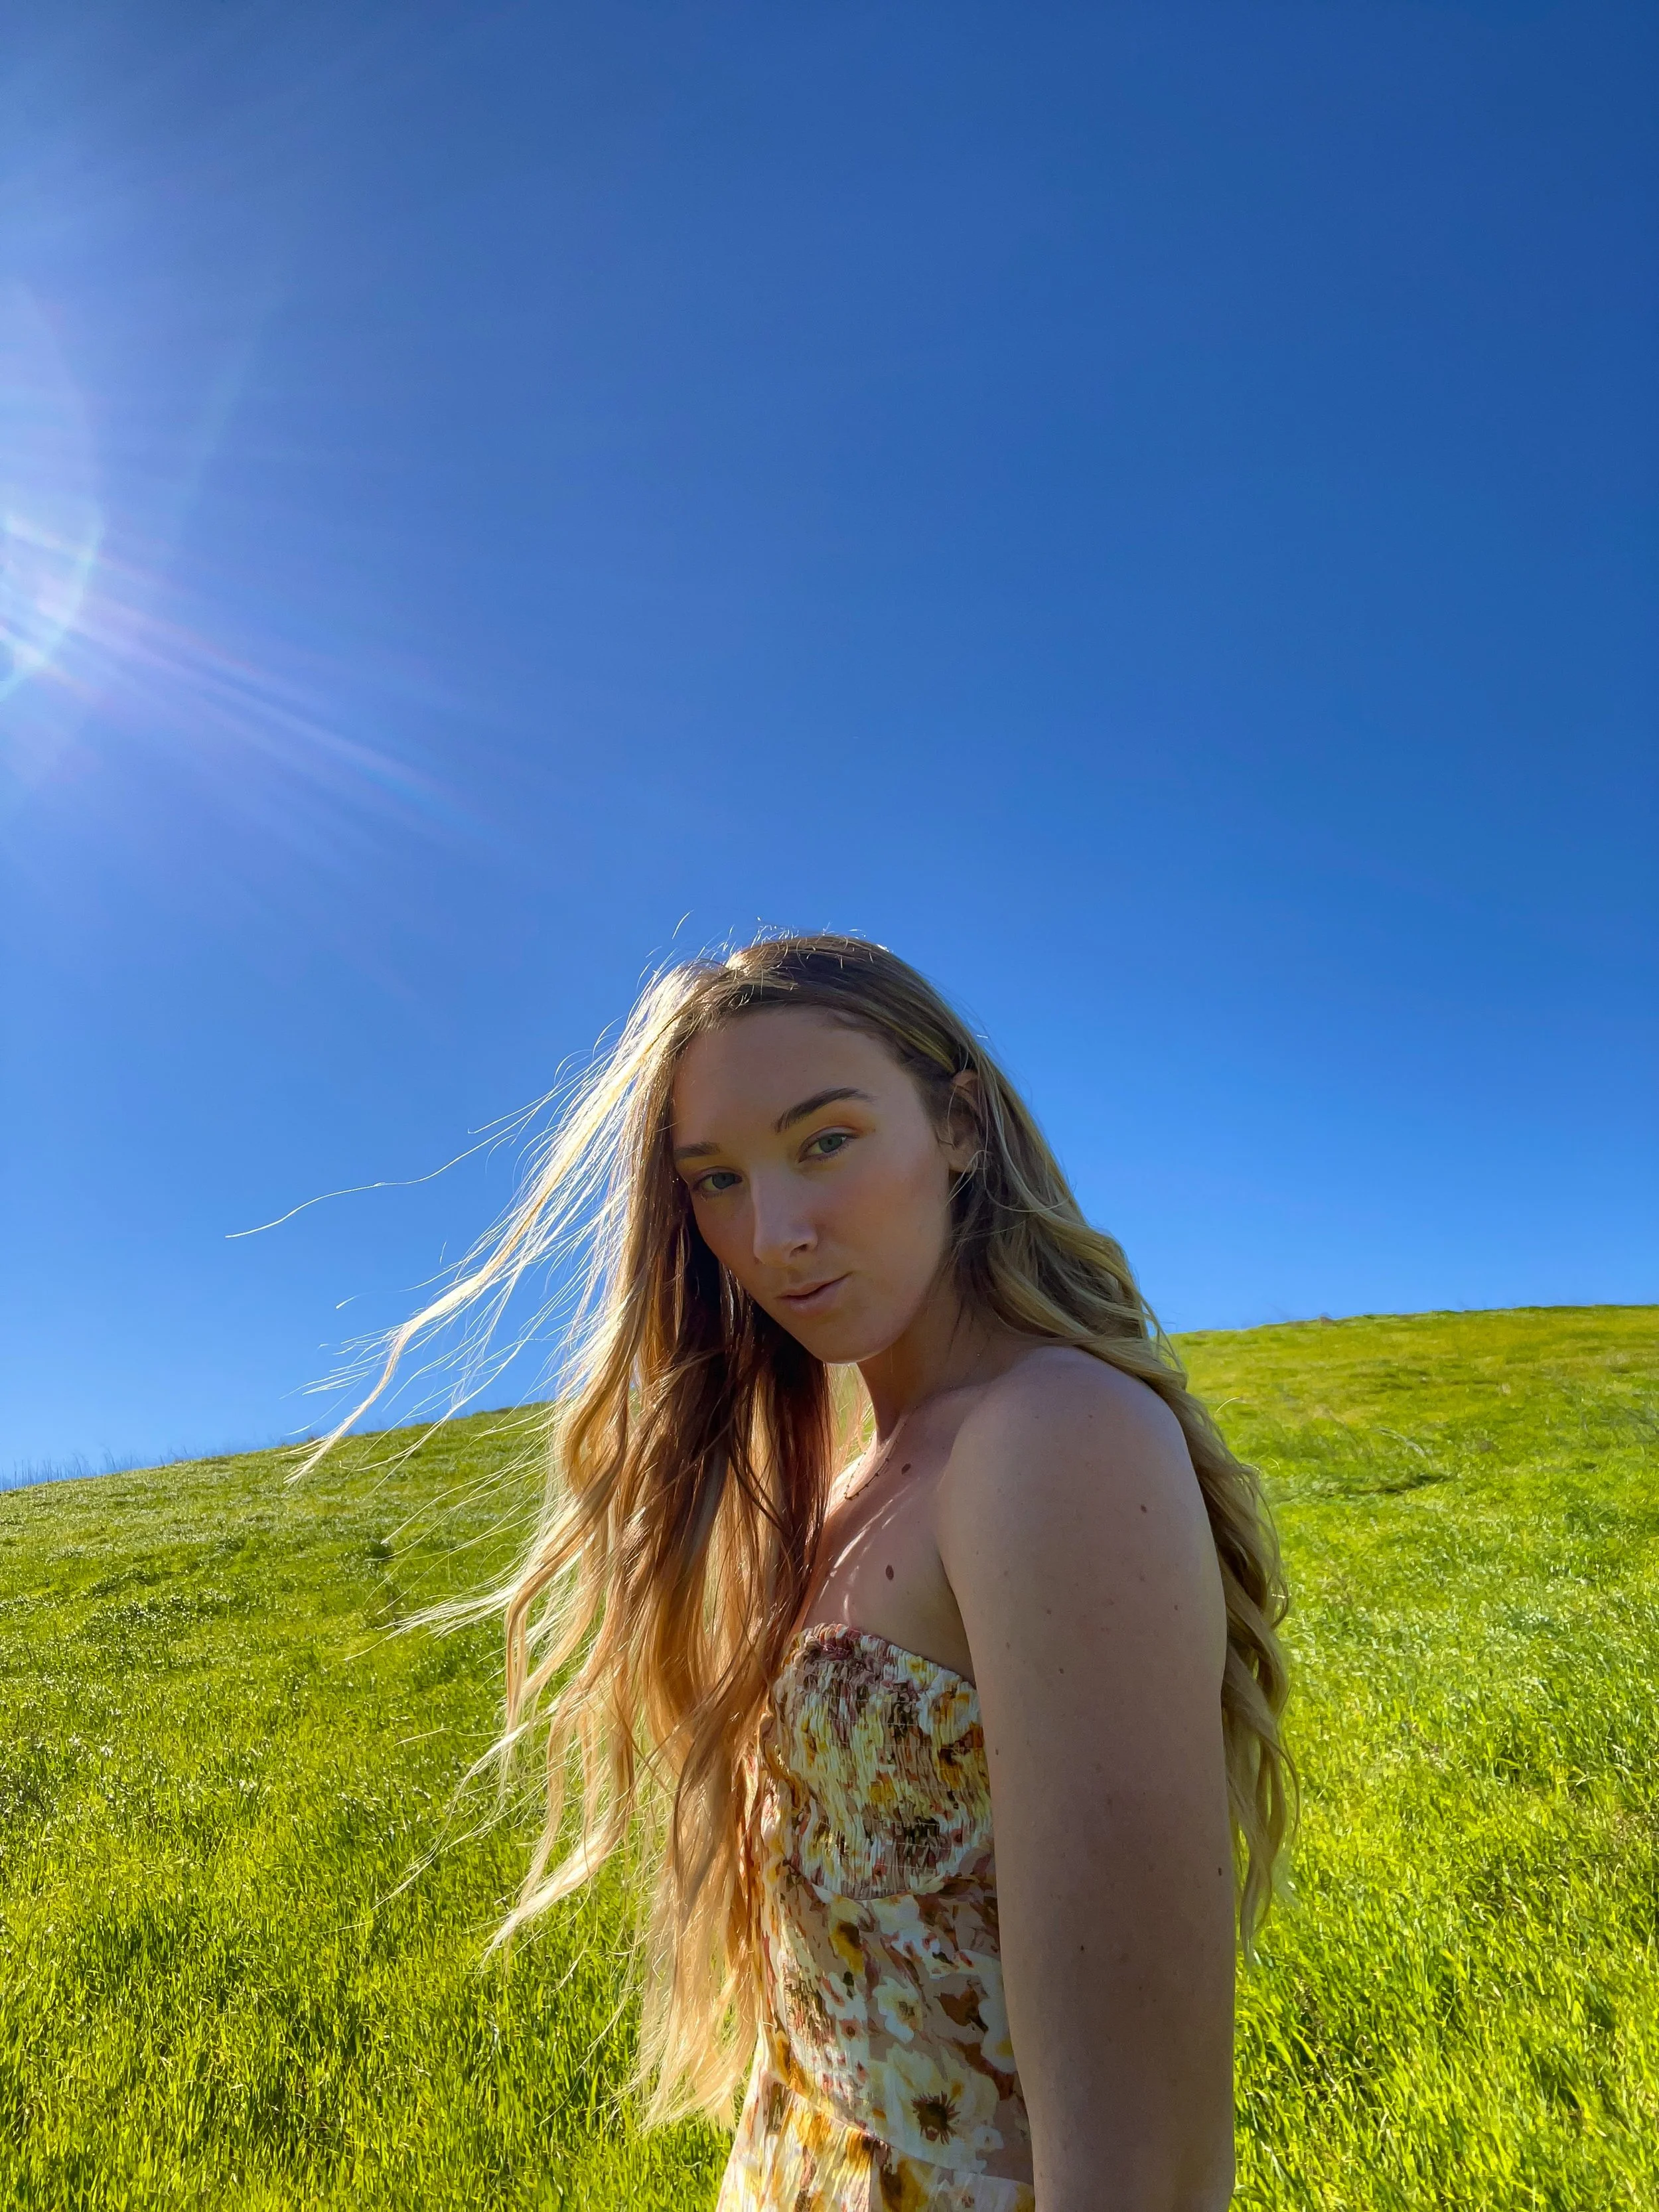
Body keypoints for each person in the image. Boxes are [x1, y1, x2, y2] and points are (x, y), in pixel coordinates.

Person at [313, 933, 1293, 2212]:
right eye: (715, 1180)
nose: (773, 1234)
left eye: (825, 1140)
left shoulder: (1055, 1442)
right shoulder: (857, 1484)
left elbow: (1147, 2168)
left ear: (959, 1124)